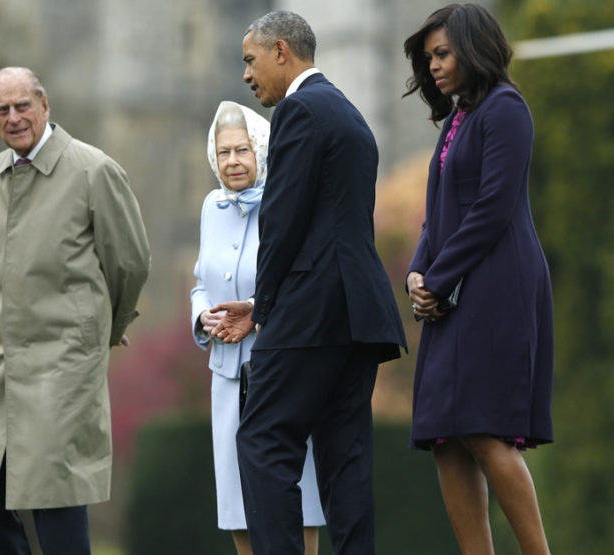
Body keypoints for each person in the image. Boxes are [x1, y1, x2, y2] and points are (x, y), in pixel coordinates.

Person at [210, 10, 407, 554]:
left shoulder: (299, 111)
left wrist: (265, 306)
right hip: (358, 315)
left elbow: (283, 220)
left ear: (280, 51)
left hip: (307, 314)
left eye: (250, 61)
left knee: (261, 441)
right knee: (345, 462)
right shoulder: (348, 113)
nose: (247, 76)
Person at [0, 66, 151, 554]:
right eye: (2, 111)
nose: (14, 118)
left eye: (22, 106)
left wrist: (105, 329)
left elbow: (131, 263)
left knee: (56, 501)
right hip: (3, 363)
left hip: (65, 366)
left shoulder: (93, 170)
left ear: (44, 105)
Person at [402, 4, 553, 554]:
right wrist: (419, 274)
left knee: (486, 430)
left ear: (475, 48)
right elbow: (436, 212)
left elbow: (492, 207)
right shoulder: (456, 119)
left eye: (442, 54)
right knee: (447, 436)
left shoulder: (506, 108)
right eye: (429, 58)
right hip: (451, 289)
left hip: (496, 286)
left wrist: (437, 281)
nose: (434, 66)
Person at [190, 100, 325, 555]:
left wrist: (254, 308)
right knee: (235, 498)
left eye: (243, 150)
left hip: (280, 368)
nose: (232, 161)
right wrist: (202, 315)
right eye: (224, 152)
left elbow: (301, 281)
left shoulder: (285, 202)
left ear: (263, 151)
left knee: (296, 490)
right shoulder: (211, 206)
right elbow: (200, 281)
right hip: (227, 374)